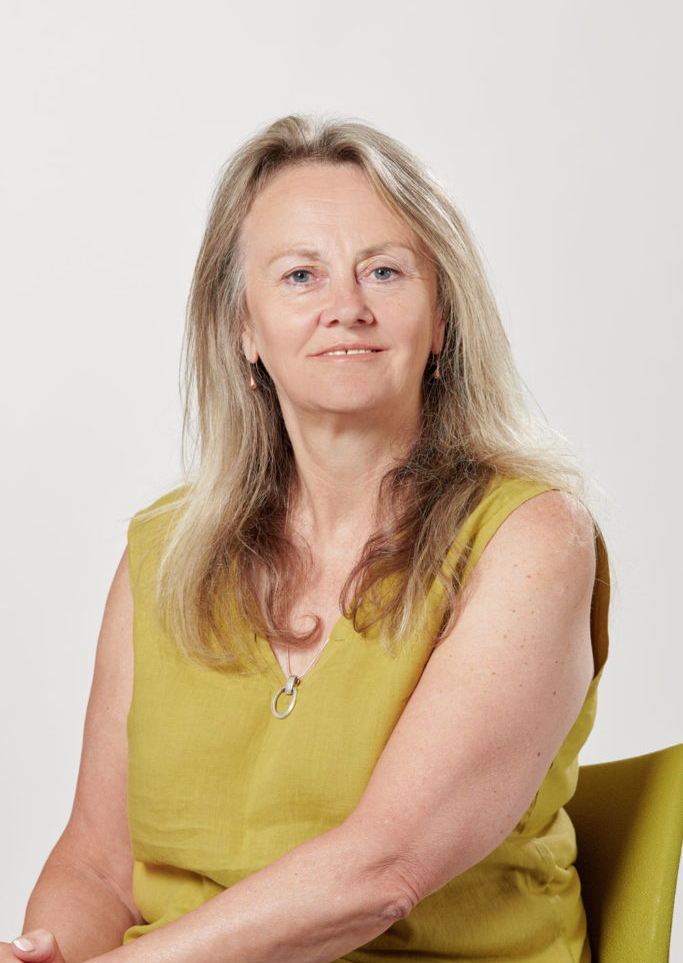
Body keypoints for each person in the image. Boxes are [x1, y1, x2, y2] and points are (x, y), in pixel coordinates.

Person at [3, 114, 609, 963]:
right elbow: (99, 868)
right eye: (300, 275)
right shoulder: (164, 553)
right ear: (243, 329)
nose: (346, 309)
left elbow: (382, 874)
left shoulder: (528, 537)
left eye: (384, 272)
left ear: (441, 319)